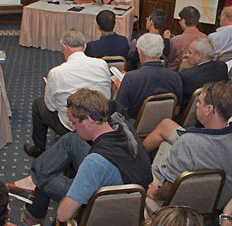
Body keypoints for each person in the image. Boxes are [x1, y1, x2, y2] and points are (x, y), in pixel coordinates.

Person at [9, 89, 152, 225]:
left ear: (88, 119)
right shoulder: (122, 124)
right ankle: (35, 182)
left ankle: (35, 189)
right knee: (71, 139)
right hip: (130, 186)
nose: (72, 127)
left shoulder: (94, 162)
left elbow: (63, 215)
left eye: (74, 122)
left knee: (43, 180)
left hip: (107, 204)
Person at [143, 81, 232, 210]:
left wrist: (154, 192)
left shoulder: (187, 144)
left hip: (188, 207)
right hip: (230, 200)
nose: (196, 105)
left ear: (209, 109)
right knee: (167, 125)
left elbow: (169, 190)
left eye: (199, 102)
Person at [24, 30, 111, 158]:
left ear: (64, 47)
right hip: (100, 120)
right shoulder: (102, 64)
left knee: (38, 105)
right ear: (85, 46)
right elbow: (108, 94)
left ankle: (39, 149)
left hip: (72, 125)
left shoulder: (56, 73)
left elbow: (50, 106)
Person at [115, 33, 182, 120]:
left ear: (141, 52)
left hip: (134, 127)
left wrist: (120, 89)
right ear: (160, 52)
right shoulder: (175, 77)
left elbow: (119, 112)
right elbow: (176, 111)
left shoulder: (131, 78)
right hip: (164, 123)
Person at [179, 37, 227, 114]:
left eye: (190, 52)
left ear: (199, 55)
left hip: (192, 116)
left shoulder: (186, 76)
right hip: (218, 112)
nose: (187, 55)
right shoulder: (222, 66)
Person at [166, 6, 206, 71]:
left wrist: (167, 41)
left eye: (180, 19)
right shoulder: (205, 38)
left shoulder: (175, 40)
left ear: (184, 20)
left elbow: (168, 60)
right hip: (198, 72)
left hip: (176, 74)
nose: (179, 22)